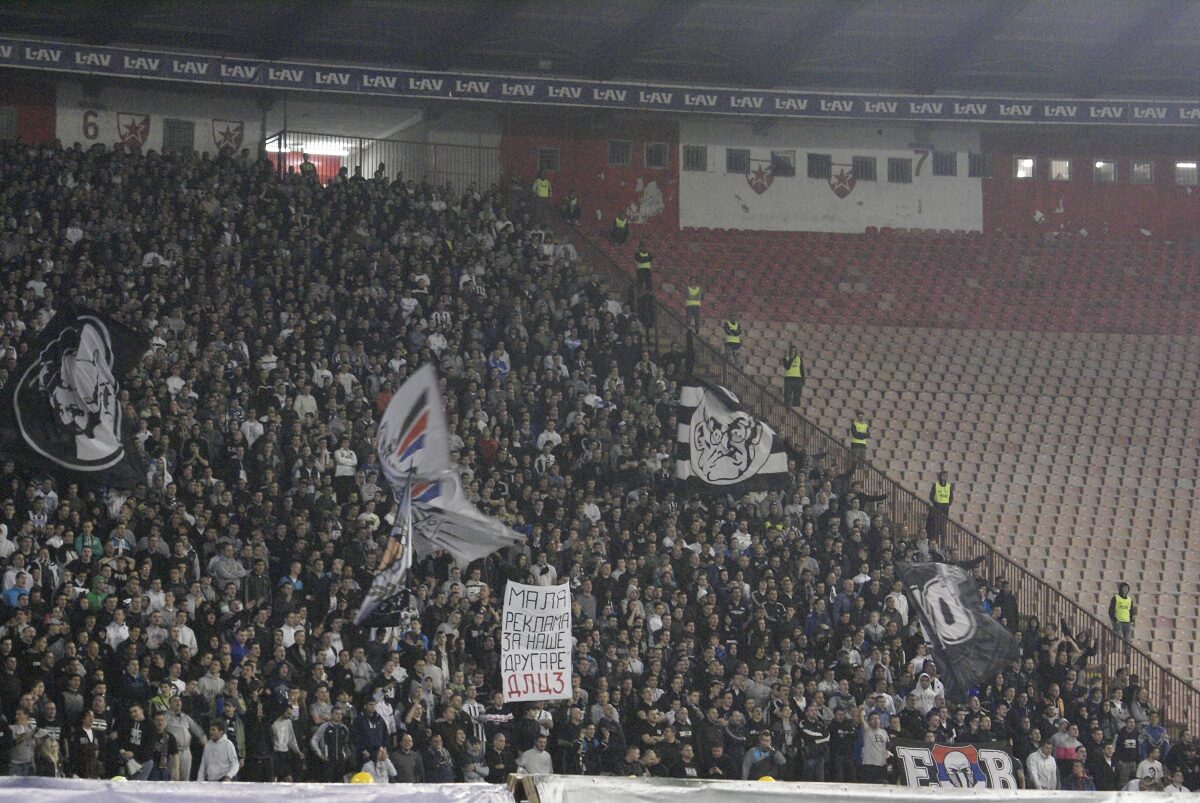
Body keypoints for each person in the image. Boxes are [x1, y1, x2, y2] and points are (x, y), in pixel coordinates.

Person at [799, 704, 829, 782]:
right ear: (806, 713)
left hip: (820, 755)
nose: (814, 712)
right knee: (808, 779)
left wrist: (816, 740)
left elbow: (827, 737)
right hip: (809, 755)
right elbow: (807, 734)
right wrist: (820, 735)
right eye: (811, 710)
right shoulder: (803, 723)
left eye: (815, 710)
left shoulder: (820, 724)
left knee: (820, 780)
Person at [859, 712, 890, 784]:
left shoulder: (884, 732)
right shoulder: (868, 731)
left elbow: (887, 746)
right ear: (869, 721)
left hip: (881, 764)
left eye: (878, 718)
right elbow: (862, 721)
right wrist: (861, 712)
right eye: (873, 719)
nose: (876, 720)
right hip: (870, 764)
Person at [1107, 582, 1135, 657]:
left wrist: (1131, 620)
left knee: (1127, 639)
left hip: (1127, 622)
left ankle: (1126, 653)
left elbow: (1131, 611)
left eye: (1127, 588)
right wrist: (1115, 620)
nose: (1125, 589)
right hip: (1118, 621)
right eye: (1124, 588)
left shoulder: (1129, 599)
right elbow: (1111, 611)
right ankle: (1115, 651)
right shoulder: (1116, 598)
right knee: (1117, 637)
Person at [928, 470, 953, 538]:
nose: (944, 477)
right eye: (943, 476)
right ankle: (935, 541)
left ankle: (942, 545)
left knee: (943, 527)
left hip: (945, 508)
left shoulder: (948, 486)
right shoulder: (936, 485)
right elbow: (931, 496)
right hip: (937, 507)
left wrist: (948, 504)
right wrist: (936, 504)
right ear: (940, 476)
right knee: (936, 526)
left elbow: (951, 497)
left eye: (946, 476)